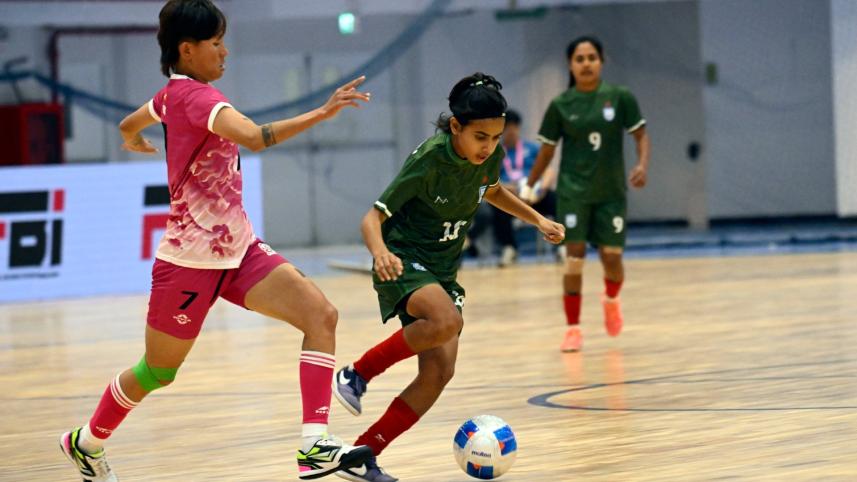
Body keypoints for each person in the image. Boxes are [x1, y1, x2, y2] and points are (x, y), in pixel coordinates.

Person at [59, 1, 373, 480]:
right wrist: (323, 112)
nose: (225, 52)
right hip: (188, 263)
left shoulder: (171, 96)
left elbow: (131, 121)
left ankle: (314, 444)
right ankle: (86, 441)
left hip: (239, 251)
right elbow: (255, 137)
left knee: (320, 315)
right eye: (216, 43)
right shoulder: (198, 100)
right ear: (188, 50)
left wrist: (132, 137)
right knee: (157, 371)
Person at [331, 73, 565, 481]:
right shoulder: (429, 160)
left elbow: (492, 190)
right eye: (480, 137)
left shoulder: (488, 156)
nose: (488, 147)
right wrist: (381, 252)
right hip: (403, 259)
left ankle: (361, 455)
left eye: (495, 138)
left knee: (439, 372)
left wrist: (538, 219)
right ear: (456, 126)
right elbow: (371, 219)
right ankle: (358, 373)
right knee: (446, 321)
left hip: (442, 270)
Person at [521, 35, 650, 353]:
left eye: (592, 57)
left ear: (602, 60)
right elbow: (547, 151)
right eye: (579, 59)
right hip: (573, 193)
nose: (586, 64)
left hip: (611, 193)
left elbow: (641, 136)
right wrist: (529, 184)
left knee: (612, 259)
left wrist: (642, 165)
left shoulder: (620, 97)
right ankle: (573, 329)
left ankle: (611, 298)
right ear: (570, 65)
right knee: (574, 260)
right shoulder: (561, 105)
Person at [492, 109, 557, 266]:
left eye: (514, 127)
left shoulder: (532, 148)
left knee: (557, 200)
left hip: (536, 195)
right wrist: (510, 189)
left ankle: (562, 247)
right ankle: (509, 248)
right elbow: (491, 181)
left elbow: (549, 171)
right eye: (507, 128)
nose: (511, 131)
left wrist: (541, 189)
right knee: (496, 206)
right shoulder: (495, 153)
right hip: (511, 196)